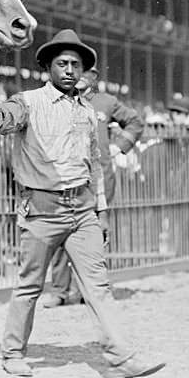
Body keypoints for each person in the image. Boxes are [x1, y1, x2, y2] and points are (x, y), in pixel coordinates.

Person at [0, 28, 165, 378]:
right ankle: (12, 353)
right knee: (30, 285)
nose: (69, 70)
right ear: (48, 66)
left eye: (76, 64)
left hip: (82, 212)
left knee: (98, 287)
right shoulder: (28, 102)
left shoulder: (88, 112)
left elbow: (94, 165)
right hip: (42, 211)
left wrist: (102, 212)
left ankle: (121, 357)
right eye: (62, 63)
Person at [41, 66, 144, 308]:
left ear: (95, 77)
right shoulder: (57, 99)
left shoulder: (106, 102)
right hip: (64, 176)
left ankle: (89, 289)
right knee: (59, 233)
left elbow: (135, 123)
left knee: (93, 235)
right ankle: (59, 290)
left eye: (86, 70)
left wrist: (118, 147)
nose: (79, 74)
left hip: (97, 179)